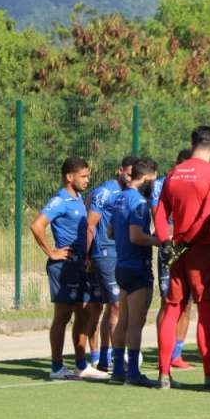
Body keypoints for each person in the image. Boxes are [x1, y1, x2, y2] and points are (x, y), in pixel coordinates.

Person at [153, 126, 210, 392]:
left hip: (175, 252)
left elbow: (160, 212)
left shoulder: (174, 173)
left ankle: (163, 374)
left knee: (172, 309)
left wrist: (166, 242)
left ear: (192, 143)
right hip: (201, 251)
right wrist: (188, 242)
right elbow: (208, 215)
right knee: (207, 312)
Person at [30, 157, 107, 380]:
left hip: (80, 265)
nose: (87, 180)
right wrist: (51, 252)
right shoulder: (60, 200)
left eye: (88, 175)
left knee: (83, 314)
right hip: (63, 267)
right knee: (63, 317)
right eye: (83, 176)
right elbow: (37, 225)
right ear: (69, 177)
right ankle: (56, 367)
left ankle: (81, 365)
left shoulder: (78, 198)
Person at [109, 158, 160, 387]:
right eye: (154, 180)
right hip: (138, 268)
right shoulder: (139, 202)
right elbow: (136, 236)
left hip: (121, 265)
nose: (155, 185)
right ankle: (133, 373)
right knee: (135, 323)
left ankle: (118, 370)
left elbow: (111, 232)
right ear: (147, 178)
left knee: (123, 321)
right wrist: (160, 241)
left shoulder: (119, 198)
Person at [84, 156, 135, 372]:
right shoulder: (105, 191)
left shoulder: (128, 193)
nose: (132, 178)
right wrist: (87, 256)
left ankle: (103, 358)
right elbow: (90, 225)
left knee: (110, 306)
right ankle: (112, 356)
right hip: (104, 254)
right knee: (115, 305)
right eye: (130, 174)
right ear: (120, 170)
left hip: (118, 254)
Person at [153, 149, 194, 370]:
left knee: (187, 304)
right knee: (169, 302)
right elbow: (157, 213)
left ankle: (176, 353)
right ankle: (164, 353)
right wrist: (167, 239)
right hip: (171, 247)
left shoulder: (198, 181)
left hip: (191, 248)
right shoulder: (163, 183)